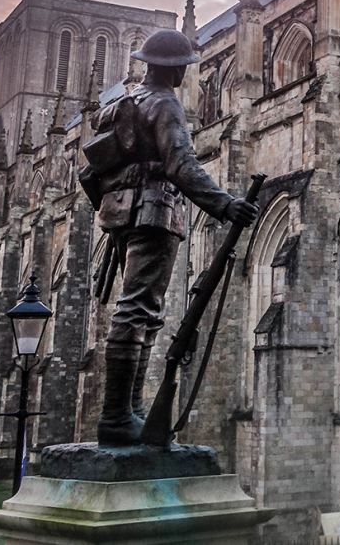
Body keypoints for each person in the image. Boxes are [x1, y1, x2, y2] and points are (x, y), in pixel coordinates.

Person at [86, 28, 258, 444]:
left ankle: (130, 411)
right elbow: (181, 164)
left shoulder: (124, 102)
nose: (185, 73)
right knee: (137, 310)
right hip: (154, 210)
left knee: (140, 311)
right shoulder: (165, 104)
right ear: (175, 67)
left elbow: (96, 160)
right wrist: (224, 203)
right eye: (184, 66)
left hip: (123, 212)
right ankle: (116, 416)